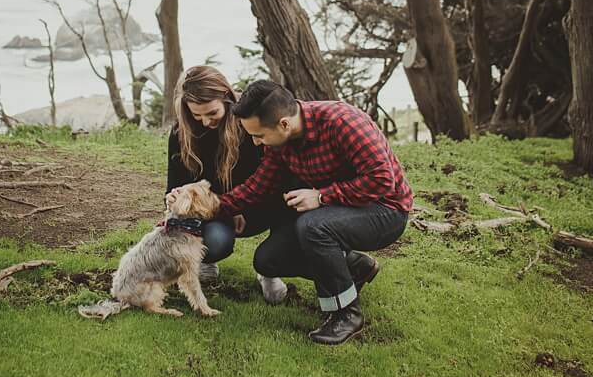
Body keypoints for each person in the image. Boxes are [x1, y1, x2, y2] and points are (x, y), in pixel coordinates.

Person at [214, 80, 413, 345]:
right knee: (267, 260)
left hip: (385, 210)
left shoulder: (343, 122)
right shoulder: (280, 143)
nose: (255, 142)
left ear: (284, 123)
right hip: (334, 212)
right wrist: (209, 208)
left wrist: (321, 197)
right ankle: (355, 267)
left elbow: (380, 180)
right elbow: (259, 186)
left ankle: (346, 313)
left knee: (312, 225)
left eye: (259, 135)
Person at [166, 65, 289, 304]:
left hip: (257, 201)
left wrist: (237, 206)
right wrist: (174, 196)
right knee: (216, 243)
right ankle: (207, 260)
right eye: (196, 115)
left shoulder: (249, 124)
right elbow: (175, 184)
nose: (204, 121)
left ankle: (269, 269)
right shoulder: (181, 134)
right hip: (213, 211)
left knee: (287, 203)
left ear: (226, 97)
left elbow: (268, 176)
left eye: (212, 113)